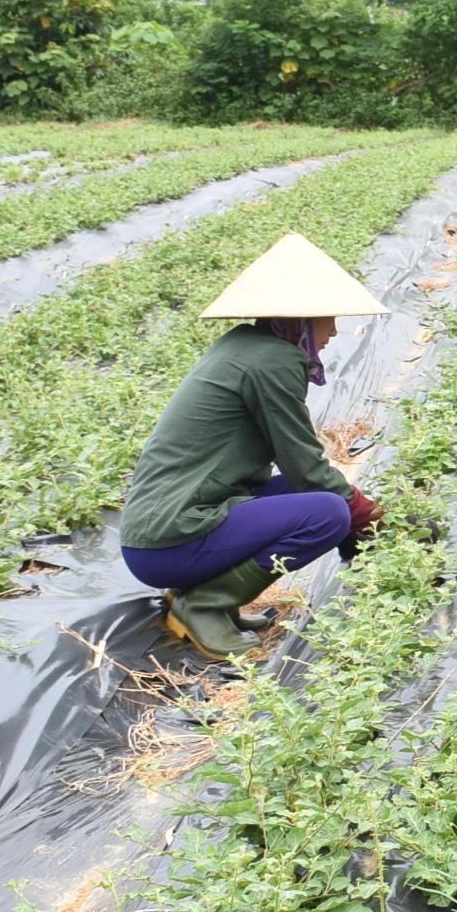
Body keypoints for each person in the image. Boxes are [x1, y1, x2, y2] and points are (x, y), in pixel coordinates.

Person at [119, 232, 388, 658]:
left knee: (317, 499)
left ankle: (204, 594)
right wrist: (369, 518)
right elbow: (305, 467)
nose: (334, 331)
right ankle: (203, 603)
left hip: (163, 527)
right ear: (299, 318)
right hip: (169, 541)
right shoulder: (273, 362)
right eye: (328, 317)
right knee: (327, 513)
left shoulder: (245, 345)